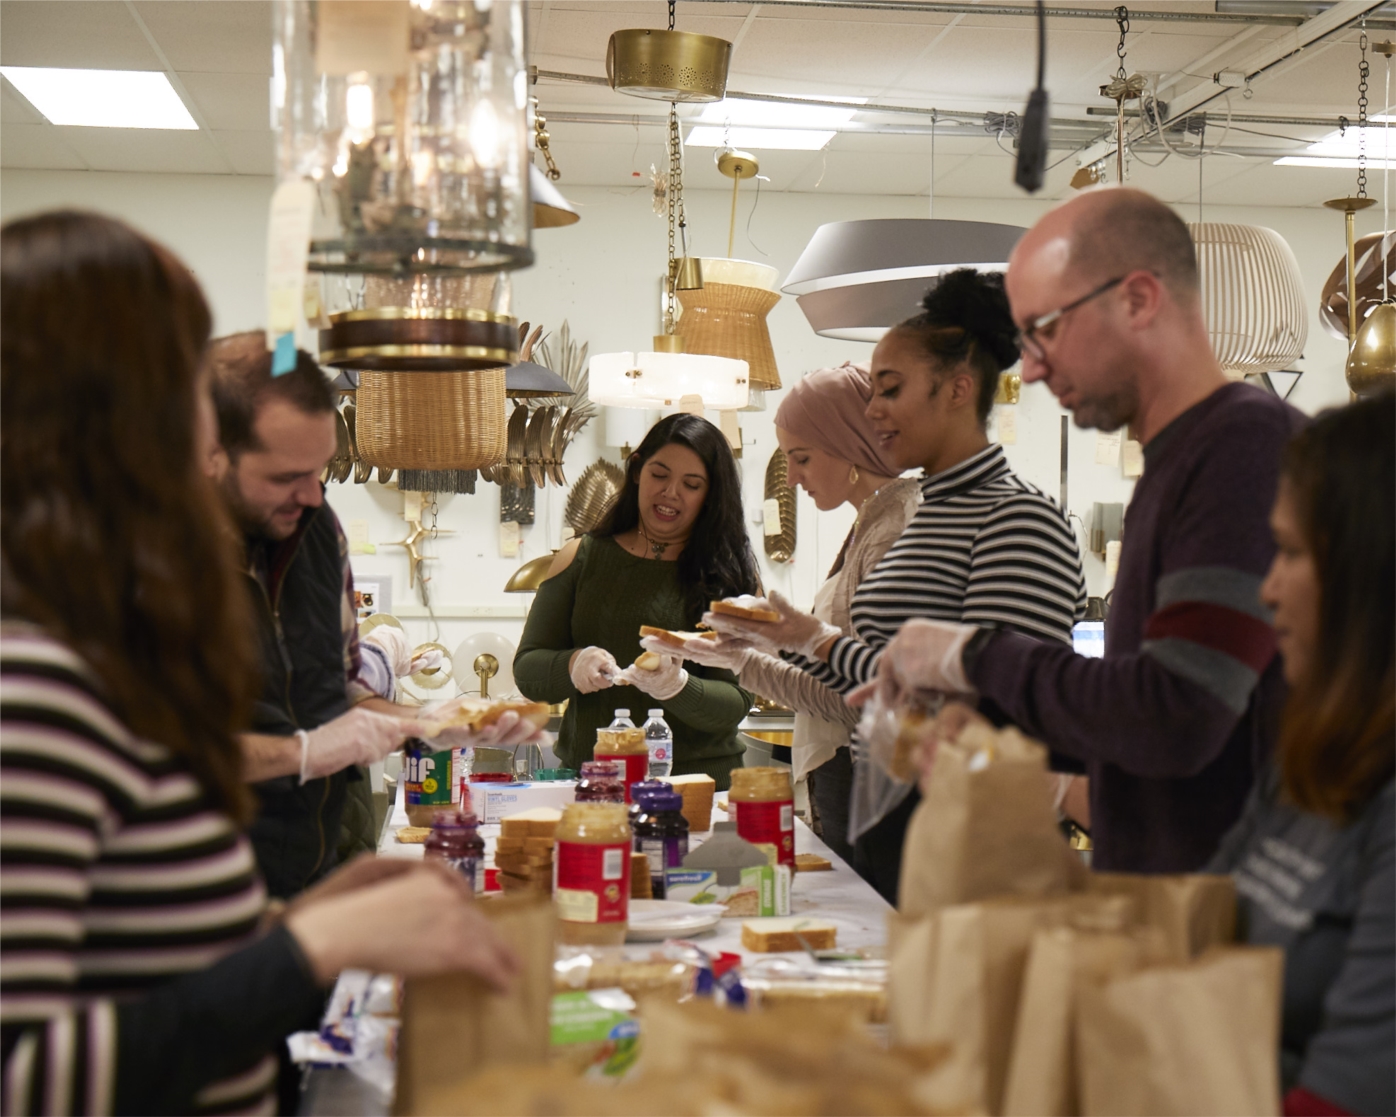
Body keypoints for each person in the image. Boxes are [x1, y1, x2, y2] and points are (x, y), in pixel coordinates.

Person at [0, 210, 517, 1114]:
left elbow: (136, 961)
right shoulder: (41, 672)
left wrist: (300, 923)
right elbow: (26, 1073)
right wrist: (304, 949)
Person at [854, 188, 1307, 874]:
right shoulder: (1180, 458)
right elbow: (1156, 724)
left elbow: (1178, 712)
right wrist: (1011, 755)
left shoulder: (1241, 448)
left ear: (1138, 300)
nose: (1029, 366)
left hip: (1243, 930)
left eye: (1047, 328)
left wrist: (974, 654)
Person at [707, 270, 1087, 900]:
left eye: (891, 389)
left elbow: (998, 703)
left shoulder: (1016, 515)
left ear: (959, 389)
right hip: (890, 809)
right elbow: (889, 688)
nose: (874, 409)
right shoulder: (931, 513)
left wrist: (815, 643)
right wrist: (805, 642)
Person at [208, 334, 541, 898]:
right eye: (285, 477)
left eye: (318, 471)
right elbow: (144, 754)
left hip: (311, 876)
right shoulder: (143, 560)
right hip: (196, 894)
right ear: (208, 453)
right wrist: (303, 753)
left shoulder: (314, 530)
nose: (312, 496)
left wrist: (428, 724)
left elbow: (340, 687)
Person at [1207, 396, 1393, 1117]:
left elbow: (1350, 1092)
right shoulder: (1315, 751)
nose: (1268, 588)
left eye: (1290, 552)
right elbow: (1198, 928)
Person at [664, 363, 918, 862]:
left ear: (850, 447)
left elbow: (861, 698)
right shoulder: (874, 520)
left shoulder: (893, 531)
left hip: (873, 783)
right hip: (853, 777)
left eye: (800, 458)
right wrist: (739, 656)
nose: (793, 477)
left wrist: (752, 656)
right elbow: (839, 676)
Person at [514, 413, 759, 788]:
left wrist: (677, 685)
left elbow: (736, 703)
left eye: (691, 484)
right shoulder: (581, 556)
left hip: (700, 788)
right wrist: (572, 665)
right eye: (659, 475)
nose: (670, 492)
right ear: (636, 470)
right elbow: (529, 669)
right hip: (594, 782)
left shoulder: (732, 579)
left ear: (711, 495)